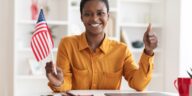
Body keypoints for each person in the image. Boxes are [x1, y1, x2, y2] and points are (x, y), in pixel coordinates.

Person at [45, 0, 158, 92]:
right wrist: (59, 83)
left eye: (100, 13)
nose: (94, 18)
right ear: (81, 17)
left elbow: (138, 84)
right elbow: (66, 84)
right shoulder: (67, 44)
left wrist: (148, 51)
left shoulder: (122, 50)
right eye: (88, 14)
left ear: (108, 16)